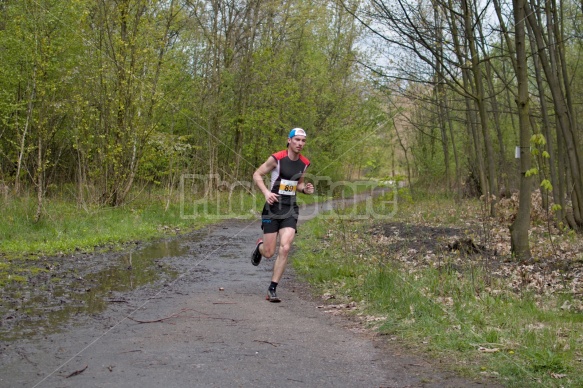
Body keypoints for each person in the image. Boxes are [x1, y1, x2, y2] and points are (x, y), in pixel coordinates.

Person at [251, 128, 314, 302]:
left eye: (303, 141)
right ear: (289, 140)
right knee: (269, 252)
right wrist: (266, 192)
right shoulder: (277, 159)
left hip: (290, 208)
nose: (300, 144)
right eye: (297, 140)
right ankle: (260, 247)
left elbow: (298, 184)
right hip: (272, 208)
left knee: (285, 247)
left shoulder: (304, 163)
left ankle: (272, 288)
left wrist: (305, 189)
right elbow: (257, 174)